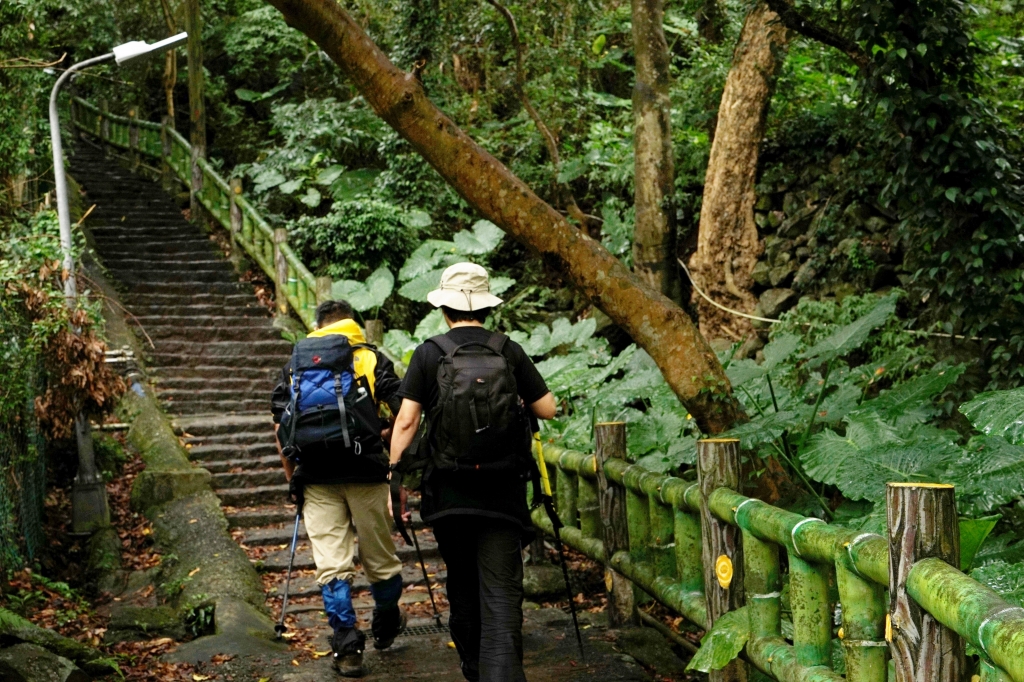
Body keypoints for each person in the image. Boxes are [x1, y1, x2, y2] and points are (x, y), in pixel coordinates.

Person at [388, 263, 557, 682]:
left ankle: (473, 666)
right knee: (501, 593)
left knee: (463, 584)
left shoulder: (430, 353)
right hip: (502, 493)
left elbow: (407, 422)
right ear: (485, 308)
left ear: (443, 306)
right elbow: (548, 408)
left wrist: (395, 475)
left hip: (448, 494)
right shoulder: (509, 350)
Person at [270, 300, 406, 678]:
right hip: (366, 473)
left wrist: (292, 475)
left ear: (317, 326)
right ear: (354, 325)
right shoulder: (371, 359)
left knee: (331, 565)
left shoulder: (296, 364)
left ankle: (347, 648)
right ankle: (386, 621)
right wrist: (391, 455)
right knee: (380, 559)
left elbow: (281, 427)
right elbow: (404, 411)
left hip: (315, 477)